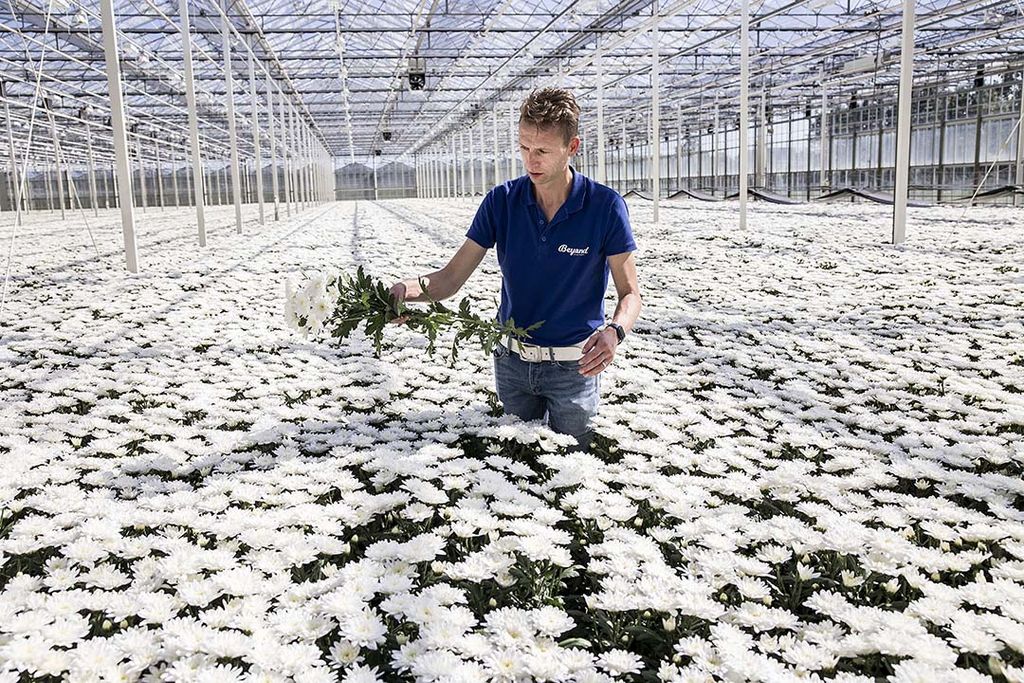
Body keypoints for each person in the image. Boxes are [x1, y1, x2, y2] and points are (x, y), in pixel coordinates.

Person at [389, 87, 641, 449]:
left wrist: (615, 332)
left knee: (571, 461)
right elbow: (449, 279)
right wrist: (406, 290)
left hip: (575, 366)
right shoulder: (502, 202)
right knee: (515, 459)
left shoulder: (605, 207)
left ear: (572, 148)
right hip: (511, 363)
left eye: (542, 151)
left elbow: (630, 293)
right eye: (523, 148)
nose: (530, 160)